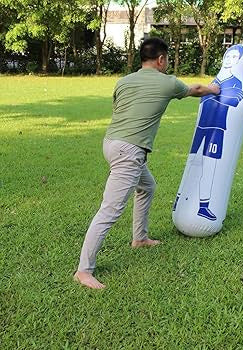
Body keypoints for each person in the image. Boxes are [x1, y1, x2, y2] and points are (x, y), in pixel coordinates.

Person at [74, 37, 220, 289]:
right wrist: (215, 90)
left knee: (147, 187)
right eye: (167, 60)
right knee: (110, 210)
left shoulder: (123, 81)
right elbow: (196, 89)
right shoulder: (168, 82)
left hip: (111, 144)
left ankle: (139, 238)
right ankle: (83, 271)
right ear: (161, 59)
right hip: (130, 152)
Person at [174, 45, 243, 221]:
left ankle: (203, 206)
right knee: (192, 163)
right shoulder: (214, 82)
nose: (229, 60)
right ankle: (179, 200)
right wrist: (213, 91)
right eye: (228, 56)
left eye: (234, 57)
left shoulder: (237, 84)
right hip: (201, 128)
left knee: (210, 167)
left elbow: (236, 100)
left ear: (240, 61)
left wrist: (214, 94)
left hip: (217, 129)